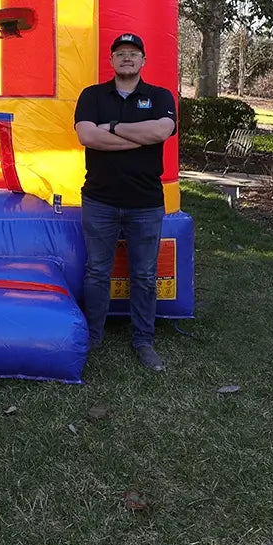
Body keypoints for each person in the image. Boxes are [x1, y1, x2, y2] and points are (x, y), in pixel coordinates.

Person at [73, 33, 177, 371]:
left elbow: (162, 131)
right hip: (100, 200)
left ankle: (143, 340)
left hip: (145, 203)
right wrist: (139, 138)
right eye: (120, 53)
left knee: (145, 275)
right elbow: (88, 136)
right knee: (97, 272)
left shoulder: (160, 96)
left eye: (133, 53)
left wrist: (114, 127)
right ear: (111, 60)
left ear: (143, 61)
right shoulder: (92, 95)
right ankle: (92, 336)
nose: (127, 58)